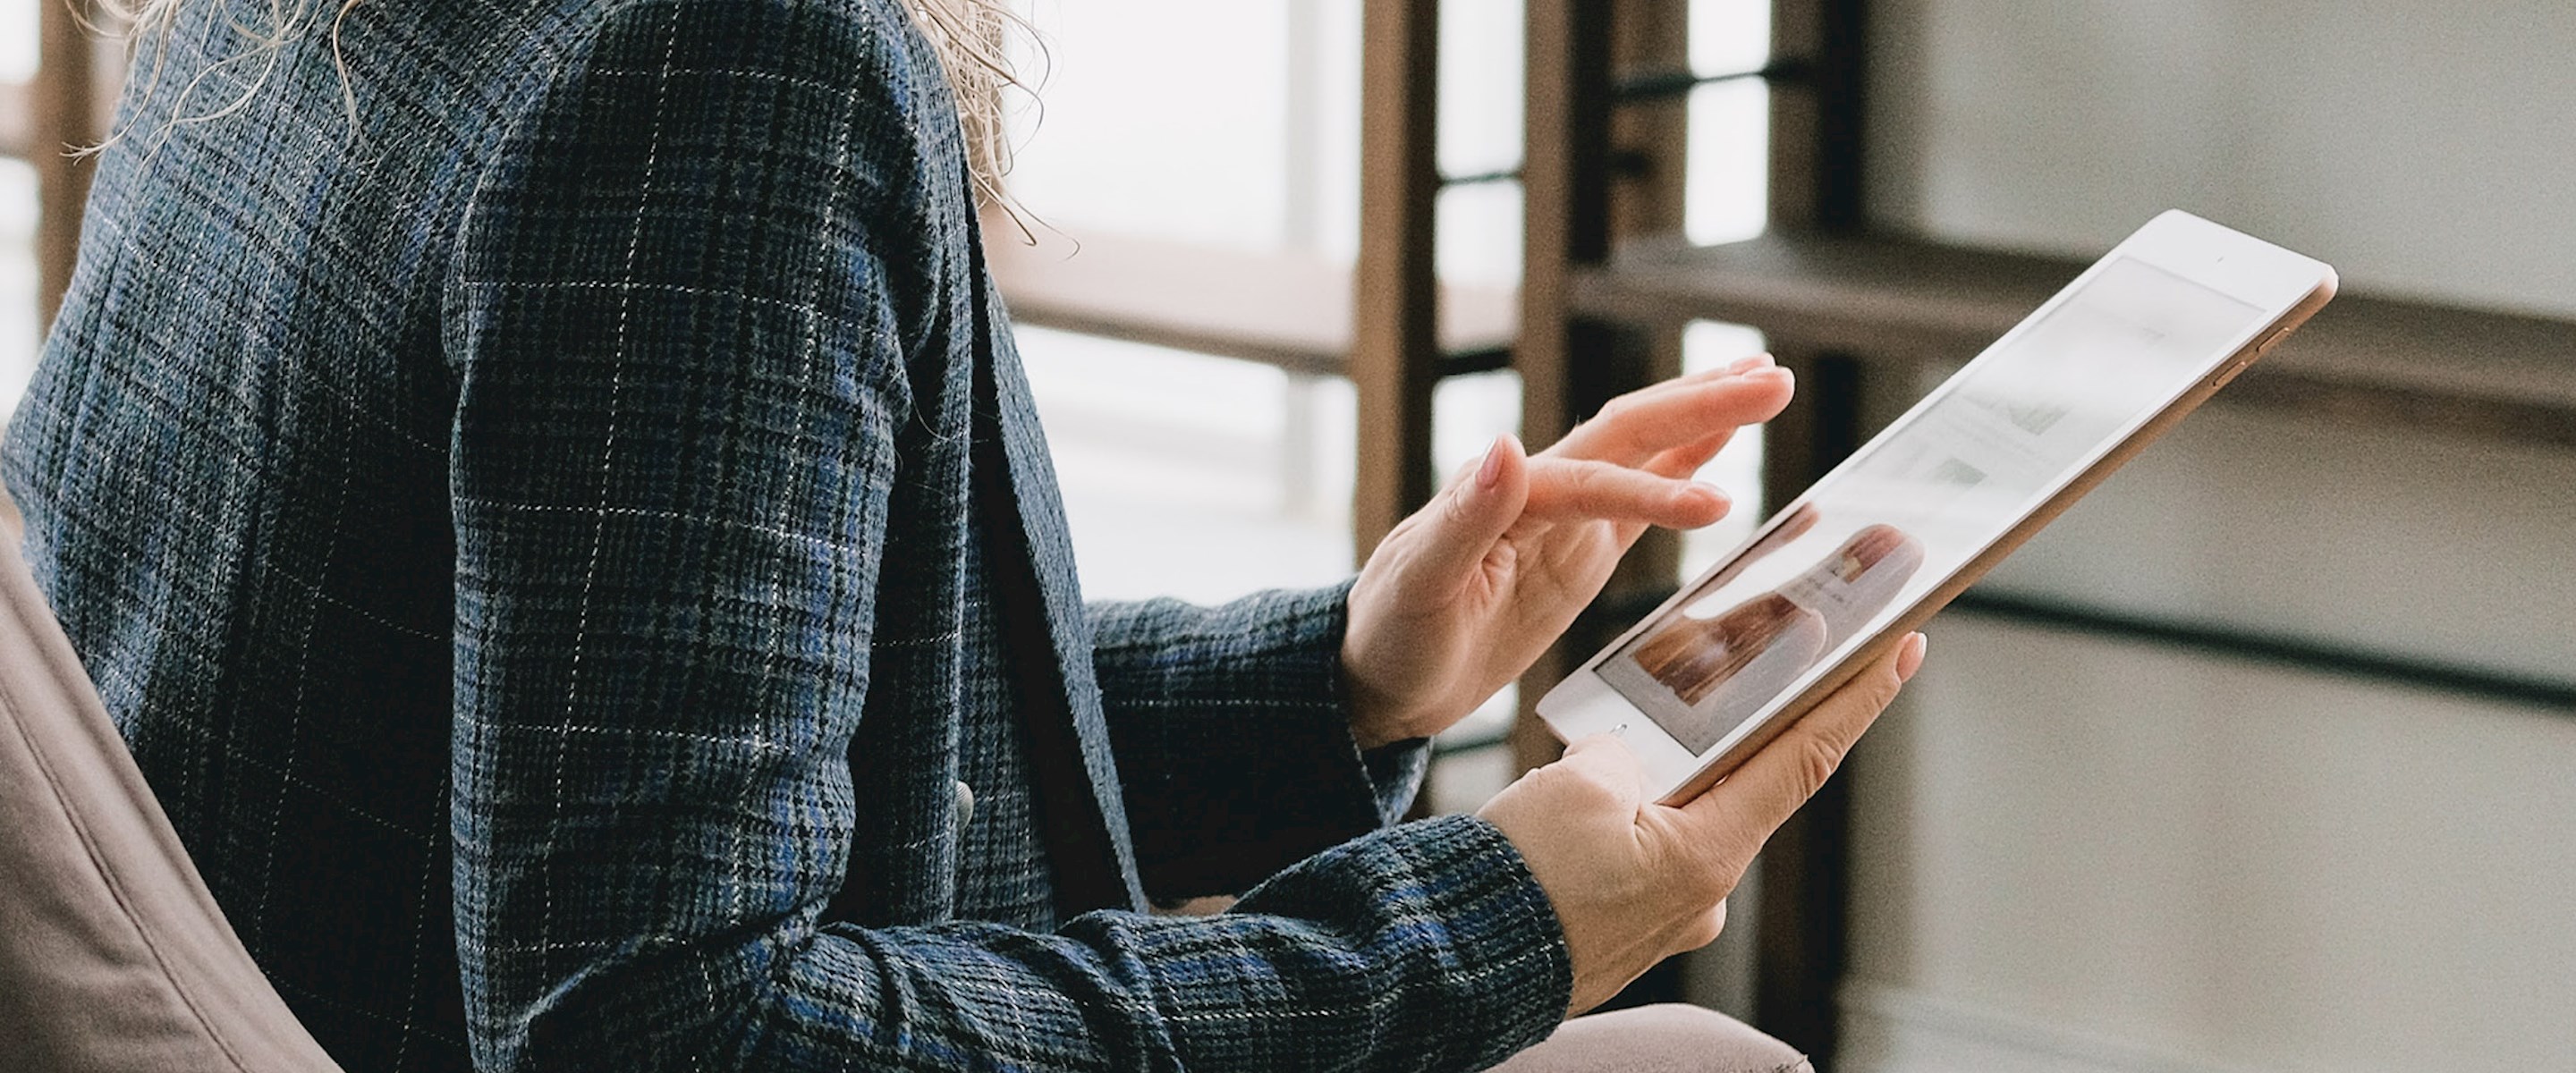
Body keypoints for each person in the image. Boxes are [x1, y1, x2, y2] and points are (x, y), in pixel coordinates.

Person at [4, 0, 1925, 1069]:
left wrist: (1336, 680)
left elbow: (621, 732)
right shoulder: (718, 65)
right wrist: (1491, 921)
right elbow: (671, 1035)